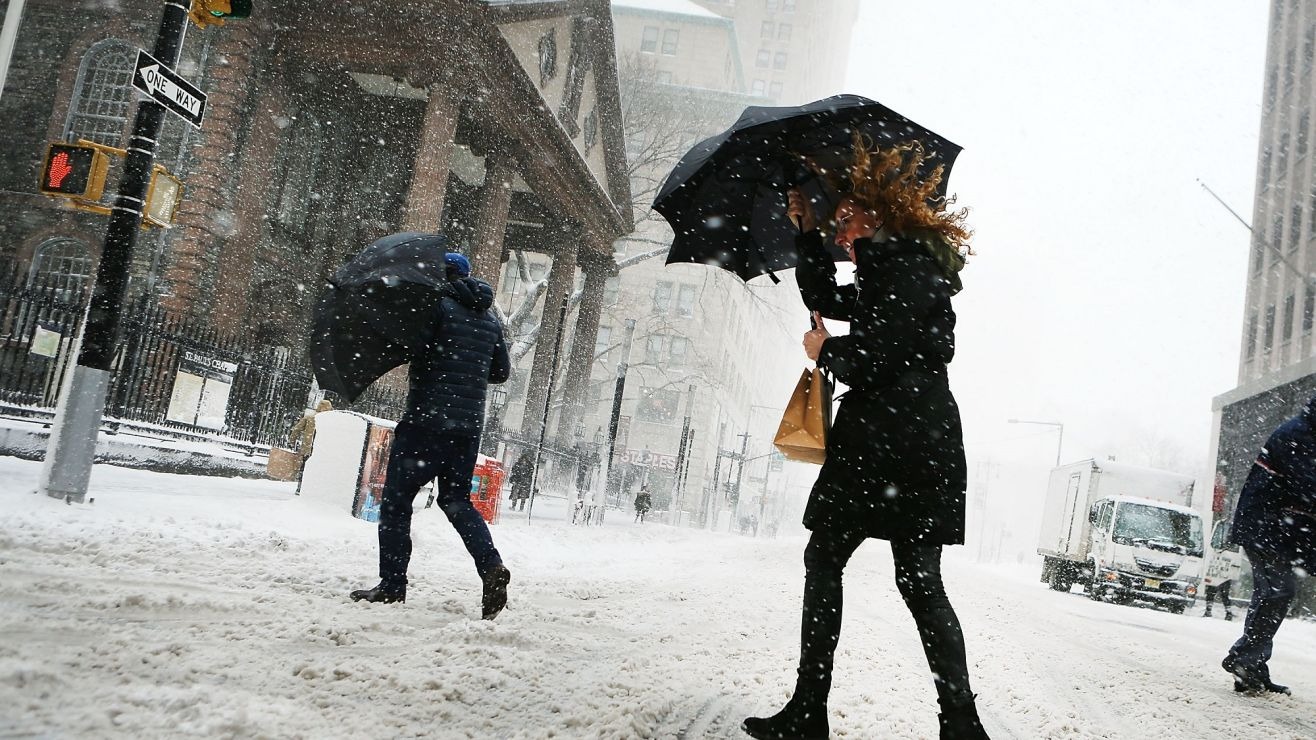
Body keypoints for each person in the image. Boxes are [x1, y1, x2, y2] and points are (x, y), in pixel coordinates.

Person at [743, 137, 988, 740]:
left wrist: (827, 350)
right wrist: (803, 231)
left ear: (880, 211)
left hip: (894, 441)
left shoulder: (904, 265)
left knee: (847, 562)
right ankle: (956, 723)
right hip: (913, 439)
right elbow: (828, 297)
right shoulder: (897, 266)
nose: (839, 228)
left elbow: (878, 357)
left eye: (846, 216)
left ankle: (814, 709)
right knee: (908, 576)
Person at [350, 252, 514, 621]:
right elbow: (501, 371)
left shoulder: (435, 307)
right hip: (467, 428)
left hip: (426, 422)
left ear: (442, 277)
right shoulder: (488, 319)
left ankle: (392, 585)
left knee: (396, 502)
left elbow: (412, 347)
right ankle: (490, 566)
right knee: (457, 501)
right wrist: (467, 367)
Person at [1221, 395, 1316, 695]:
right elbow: (1308, 487)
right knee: (1278, 590)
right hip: (1264, 526)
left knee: (1272, 592)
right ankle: (1246, 659)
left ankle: (1250, 664)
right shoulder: (1299, 435)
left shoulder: (1307, 433)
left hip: (1275, 529)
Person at [288, 399, 332, 493]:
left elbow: (296, 429)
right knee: (314, 468)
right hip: (320, 449)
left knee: (305, 467)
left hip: (310, 447)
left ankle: (301, 487)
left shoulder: (310, 418)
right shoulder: (329, 421)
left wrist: (292, 441)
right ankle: (308, 487)